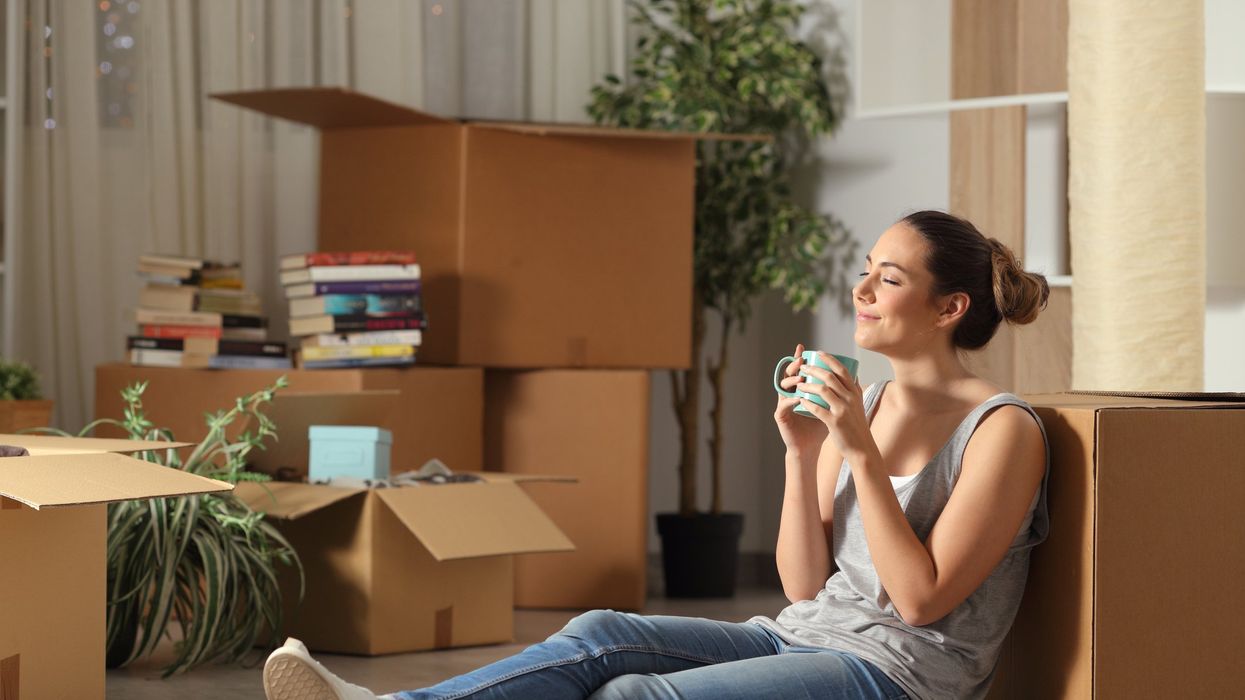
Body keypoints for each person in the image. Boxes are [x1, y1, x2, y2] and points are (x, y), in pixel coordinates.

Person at [261, 210, 1051, 700]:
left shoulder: (1001, 430)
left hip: (900, 677)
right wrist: (800, 452)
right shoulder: (867, 405)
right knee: (602, 633)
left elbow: (917, 604)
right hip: (807, 633)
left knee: (635, 695)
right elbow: (804, 585)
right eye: (863, 274)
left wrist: (856, 454)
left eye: (888, 278)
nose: (862, 291)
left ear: (949, 307)